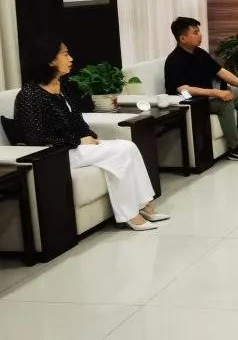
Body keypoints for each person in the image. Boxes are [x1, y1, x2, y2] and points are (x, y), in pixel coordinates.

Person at [14, 38, 169, 231]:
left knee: (129, 147)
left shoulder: (62, 86)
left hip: (75, 147)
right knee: (120, 152)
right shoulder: (29, 95)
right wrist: (78, 141)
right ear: (50, 60)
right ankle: (130, 215)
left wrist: (90, 136)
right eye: (65, 54)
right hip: (57, 154)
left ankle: (144, 204)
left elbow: (77, 119)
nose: (71, 58)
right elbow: (35, 138)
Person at [164, 17, 238, 162]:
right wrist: (216, 93)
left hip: (208, 97)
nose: (200, 35)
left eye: (199, 32)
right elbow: (183, 89)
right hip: (191, 102)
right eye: (195, 33)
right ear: (183, 38)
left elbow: (221, 72)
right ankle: (234, 148)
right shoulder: (174, 60)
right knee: (225, 101)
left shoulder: (200, 53)